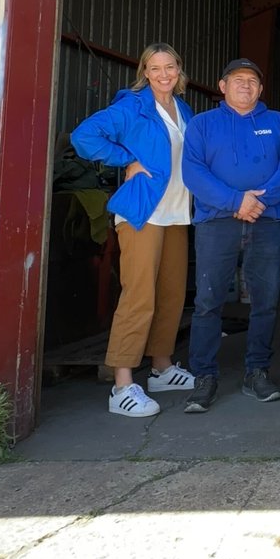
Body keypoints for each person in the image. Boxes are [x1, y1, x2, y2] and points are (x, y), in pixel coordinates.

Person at [70, 42, 196, 417]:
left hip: (176, 212)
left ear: (179, 71)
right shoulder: (133, 106)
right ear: (145, 71)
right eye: (155, 68)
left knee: (172, 292)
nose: (163, 74)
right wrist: (127, 159)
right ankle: (122, 384)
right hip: (143, 211)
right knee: (139, 294)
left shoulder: (183, 109)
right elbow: (83, 137)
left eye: (169, 67)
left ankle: (161, 367)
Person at [181, 57, 280, 413]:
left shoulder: (278, 123)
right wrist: (236, 202)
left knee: (265, 301)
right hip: (217, 223)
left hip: (266, 221)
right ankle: (204, 376)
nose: (245, 85)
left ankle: (256, 372)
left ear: (261, 89)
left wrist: (258, 203)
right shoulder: (202, 125)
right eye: (237, 80)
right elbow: (193, 172)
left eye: (252, 81)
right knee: (208, 301)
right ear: (222, 86)